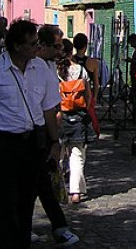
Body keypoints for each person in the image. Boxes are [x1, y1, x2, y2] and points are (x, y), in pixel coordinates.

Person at [0, 20, 67, 248]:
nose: (38, 48)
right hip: (4, 142)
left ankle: (22, 242)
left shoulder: (42, 70)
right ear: (17, 46)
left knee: (27, 201)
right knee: (7, 201)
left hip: (33, 142)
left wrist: (54, 141)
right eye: (33, 43)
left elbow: (48, 109)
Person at [34, 25, 79, 246]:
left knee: (42, 181)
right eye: (56, 45)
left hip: (48, 129)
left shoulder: (51, 65)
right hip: (36, 130)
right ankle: (59, 227)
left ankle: (59, 226)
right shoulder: (33, 67)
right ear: (41, 45)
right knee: (39, 182)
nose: (60, 49)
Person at [57, 39, 97, 204]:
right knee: (77, 155)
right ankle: (76, 192)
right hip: (78, 115)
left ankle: (57, 189)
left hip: (59, 115)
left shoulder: (54, 71)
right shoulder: (80, 70)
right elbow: (88, 94)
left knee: (57, 156)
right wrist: (85, 109)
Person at [72, 33, 100, 99]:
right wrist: (95, 98)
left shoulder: (70, 60)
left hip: (73, 95)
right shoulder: (93, 62)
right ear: (85, 46)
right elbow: (96, 84)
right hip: (87, 96)